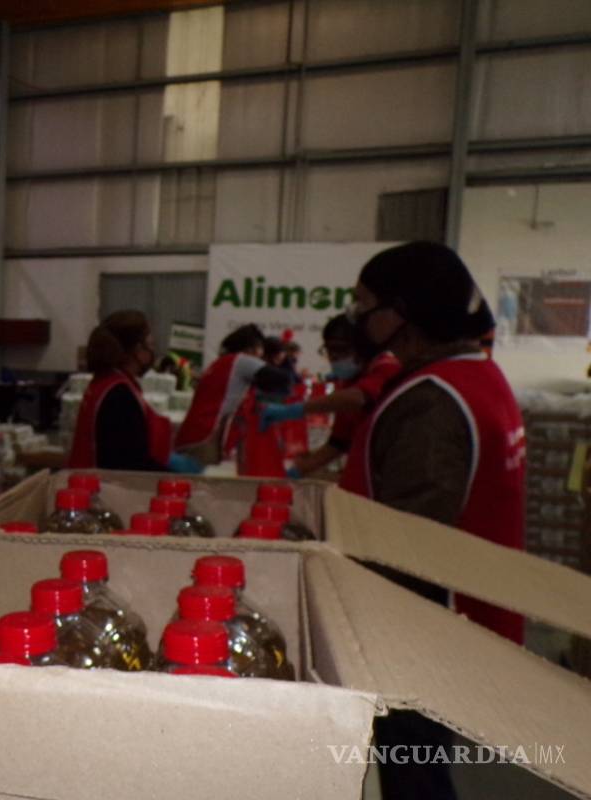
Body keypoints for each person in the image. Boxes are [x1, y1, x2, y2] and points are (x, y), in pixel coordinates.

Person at [337, 241, 523, 800]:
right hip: (459, 621)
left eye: (364, 303)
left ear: (402, 312)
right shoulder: (476, 376)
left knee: (413, 773)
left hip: (420, 635)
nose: (357, 316)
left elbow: (408, 543)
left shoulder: (433, 401)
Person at [260, 314, 401, 477]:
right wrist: (295, 471)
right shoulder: (349, 382)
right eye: (329, 350)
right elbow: (338, 443)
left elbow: (358, 397)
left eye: (340, 349)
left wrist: (294, 410)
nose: (334, 357)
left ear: (363, 347)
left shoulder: (387, 366)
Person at [68, 311, 195, 472]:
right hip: (103, 483)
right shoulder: (119, 395)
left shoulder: (107, 381)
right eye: (151, 344)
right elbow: (130, 463)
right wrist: (172, 475)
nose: (153, 352)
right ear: (138, 350)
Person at [174, 324, 292, 466]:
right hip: (205, 436)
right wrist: (283, 360)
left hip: (194, 433)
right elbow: (284, 380)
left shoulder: (223, 362)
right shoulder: (242, 361)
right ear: (252, 348)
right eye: (261, 349)